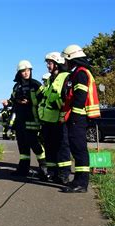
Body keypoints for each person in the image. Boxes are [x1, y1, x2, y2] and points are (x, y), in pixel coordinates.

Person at [58, 44, 100, 193]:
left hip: (79, 117)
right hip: (76, 117)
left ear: (71, 59)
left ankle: (82, 183)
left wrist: (74, 117)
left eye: (65, 60)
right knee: (76, 149)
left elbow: (80, 97)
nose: (64, 63)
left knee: (80, 150)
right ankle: (77, 180)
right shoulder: (76, 73)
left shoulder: (81, 73)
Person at [8, 60, 47, 179]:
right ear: (19, 72)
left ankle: (44, 168)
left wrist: (30, 102)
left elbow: (44, 100)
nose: (26, 73)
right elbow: (12, 99)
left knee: (35, 145)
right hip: (20, 121)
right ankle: (23, 169)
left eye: (28, 70)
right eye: (24, 71)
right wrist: (13, 101)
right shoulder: (16, 86)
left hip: (33, 119)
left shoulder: (36, 85)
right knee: (23, 146)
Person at [37, 52, 69, 183]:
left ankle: (64, 175)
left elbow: (67, 99)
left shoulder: (66, 77)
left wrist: (57, 101)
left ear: (57, 63)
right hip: (47, 120)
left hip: (59, 120)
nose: (48, 66)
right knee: (50, 148)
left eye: (49, 63)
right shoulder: (50, 79)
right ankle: (52, 173)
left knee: (62, 148)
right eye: (47, 63)